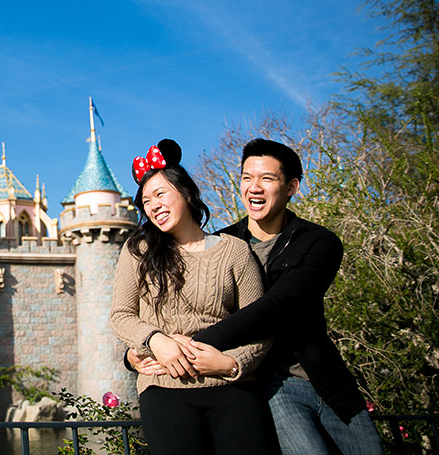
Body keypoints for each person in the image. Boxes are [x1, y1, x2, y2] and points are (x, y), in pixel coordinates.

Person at [127, 138, 384, 455]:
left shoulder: (318, 242)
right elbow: (159, 308)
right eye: (247, 178)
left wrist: (187, 346)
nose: (254, 187)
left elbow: (276, 307)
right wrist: (144, 350)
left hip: (323, 379)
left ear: (291, 187)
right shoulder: (222, 244)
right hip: (265, 382)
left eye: (267, 178)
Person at [110, 139, 276, 455]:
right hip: (164, 389)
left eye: (160, 194)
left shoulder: (234, 251)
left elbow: (260, 324)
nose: (153, 205)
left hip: (233, 390)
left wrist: (230, 364)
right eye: (146, 201)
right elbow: (121, 315)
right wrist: (157, 341)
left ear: (187, 194)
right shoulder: (138, 252)